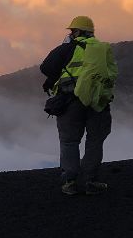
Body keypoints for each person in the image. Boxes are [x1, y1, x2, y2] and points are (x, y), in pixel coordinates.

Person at [40, 16, 117, 196]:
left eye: (72, 31)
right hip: (97, 102)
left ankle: (70, 182)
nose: (70, 34)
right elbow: (113, 73)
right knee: (95, 141)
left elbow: (46, 68)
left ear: (77, 32)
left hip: (70, 101)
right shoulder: (103, 49)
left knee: (69, 141)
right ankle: (91, 181)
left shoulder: (68, 48)